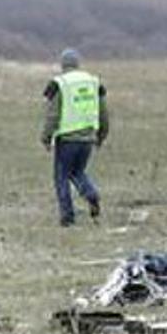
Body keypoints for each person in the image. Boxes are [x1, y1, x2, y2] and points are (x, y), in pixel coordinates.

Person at [40, 48, 109, 226]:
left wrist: (46, 137)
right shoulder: (94, 82)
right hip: (88, 138)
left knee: (61, 176)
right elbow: (103, 113)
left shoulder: (59, 83)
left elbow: (53, 114)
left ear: (62, 64)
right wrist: (101, 135)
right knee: (77, 171)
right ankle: (91, 194)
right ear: (78, 63)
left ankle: (67, 217)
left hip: (67, 139)